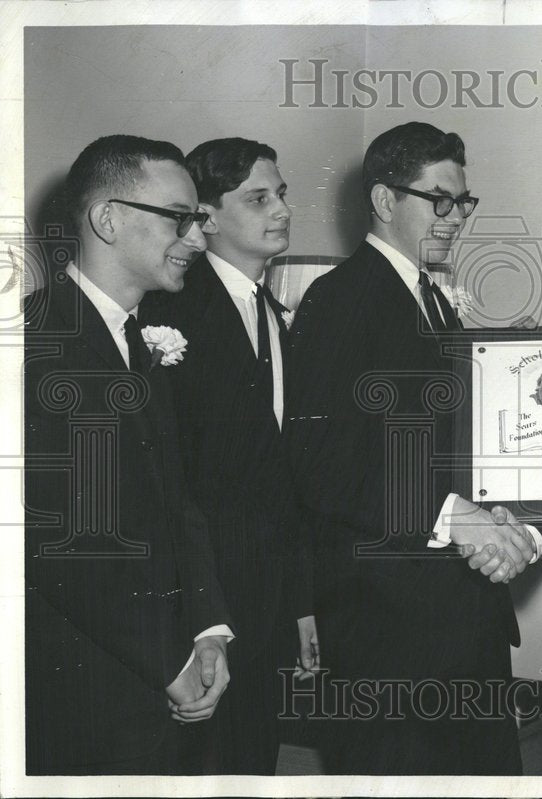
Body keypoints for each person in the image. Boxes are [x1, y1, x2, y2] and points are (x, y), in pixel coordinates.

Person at [284, 121, 542, 775]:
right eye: (438, 198)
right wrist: (459, 517)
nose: (455, 217)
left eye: (463, 201)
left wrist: (509, 520)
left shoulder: (431, 299)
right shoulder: (340, 298)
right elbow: (323, 465)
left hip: (459, 620)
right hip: (390, 633)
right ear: (383, 200)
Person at [23, 134, 232, 774]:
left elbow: (176, 503)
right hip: (85, 687)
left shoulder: (135, 339)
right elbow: (70, 547)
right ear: (107, 219)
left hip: (150, 673)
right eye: (180, 217)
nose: (198, 240)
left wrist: (207, 629)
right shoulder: (43, 344)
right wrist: (167, 658)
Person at [141, 137, 315, 774]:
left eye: (283, 194)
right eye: (259, 198)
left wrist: (298, 598)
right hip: (201, 598)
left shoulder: (275, 312)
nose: (283, 210)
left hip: (265, 595)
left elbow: (282, 474)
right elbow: (166, 481)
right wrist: (195, 616)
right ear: (206, 218)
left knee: (253, 759)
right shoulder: (169, 309)